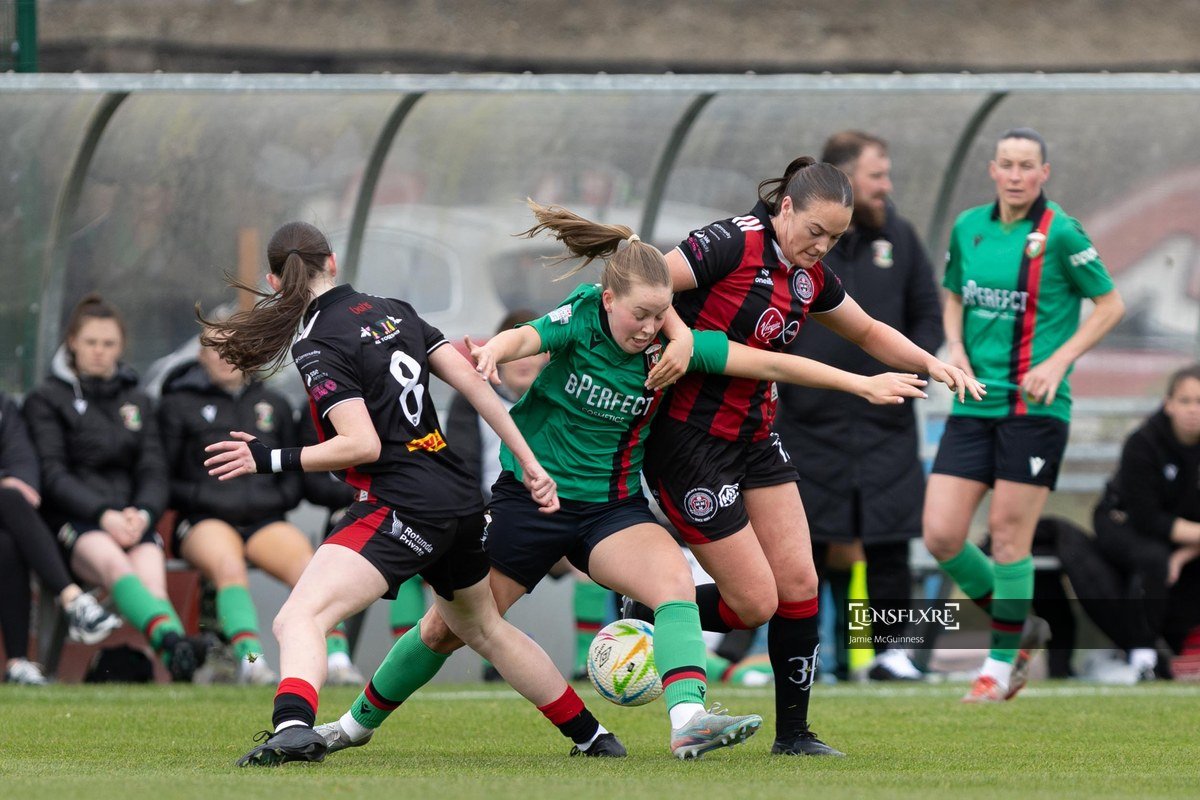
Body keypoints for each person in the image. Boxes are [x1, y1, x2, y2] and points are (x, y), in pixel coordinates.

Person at [313, 200, 931, 761]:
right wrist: (495, 350)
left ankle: (688, 720)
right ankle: (351, 725)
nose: (649, 329)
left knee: (674, 585)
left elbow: (768, 362)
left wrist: (862, 382)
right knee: (446, 628)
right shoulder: (580, 320)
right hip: (532, 504)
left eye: (661, 316)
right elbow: (527, 333)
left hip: (611, 510)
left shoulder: (674, 347)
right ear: (607, 300)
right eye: (640, 315)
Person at [200, 221, 623, 767]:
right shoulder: (393, 309)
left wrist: (269, 457)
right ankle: (594, 736)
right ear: (333, 262)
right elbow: (475, 382)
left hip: (403, 504)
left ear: (275, 281)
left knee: (297, 618)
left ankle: (292, 728)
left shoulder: (317, 342)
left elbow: (360, 444)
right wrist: (530, 460)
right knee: (483, 628)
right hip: (459, 498)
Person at [639, 157, 982, 756]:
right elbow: (645, 282)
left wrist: (933, 363)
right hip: (689, 443)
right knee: (753, 605)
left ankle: (794, 735)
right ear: (786, 208)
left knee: (799, 581)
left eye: (836, 238)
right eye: (814, 231)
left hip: (756, 437)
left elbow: (870, 332)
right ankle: (647, 603)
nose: (821, 247)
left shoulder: (807, 278)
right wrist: (683, 335)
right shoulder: (728, 243)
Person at [921, 127, 1125, 702]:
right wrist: (955, 348)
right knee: (940, 535)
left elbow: (1110, 304)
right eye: (1006, 164)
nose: (1015, 175)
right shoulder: (969, 227)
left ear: (1043, 173)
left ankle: (998, 664)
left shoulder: (1061, 233)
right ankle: (1024, 623)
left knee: (1010, 539)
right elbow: (954, 293)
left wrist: (1058, 362)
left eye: (1026, 166)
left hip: (1035, 410)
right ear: (992, 170)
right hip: (975, 402)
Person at [775, 131, 944, 683]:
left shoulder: (899, 235)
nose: (885, 187)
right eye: (876, 176)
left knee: (889, 539)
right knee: (812, 543)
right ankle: (811, 654)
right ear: (846, 180)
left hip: (884, 417)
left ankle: (891, 651)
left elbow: (928, 315)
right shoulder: (805, 247)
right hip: (808, 418)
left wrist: (913, 373)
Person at [157, 338, 363, 685]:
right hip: (204, 519)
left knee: (311, 568)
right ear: (200, 355)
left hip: (263, 520)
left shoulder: (274, 403)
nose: (225, 357)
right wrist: (204, 495)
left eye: (233, 348)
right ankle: (252, 662)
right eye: (215, 349)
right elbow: (162, 476)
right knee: (228, 566)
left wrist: (273, 498)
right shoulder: (177, 404)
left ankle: (339, 660)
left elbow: (294, 473)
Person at [22, 294, 206, 681]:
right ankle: (174, 645)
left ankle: (176, 657)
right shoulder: (47, 398)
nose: (99, 352)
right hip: (75, 523)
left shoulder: (137, 399)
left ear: (120, 347)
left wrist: (142, 513)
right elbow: (53, 475)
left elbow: (154, 470)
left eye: (108, 344)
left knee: (152, 576)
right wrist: (102, 514)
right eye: (91, 342)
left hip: (130, 519)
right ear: (72, 341)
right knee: (113, 560)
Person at [445, 309, 609, 682]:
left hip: (558, 513)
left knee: (594, 563)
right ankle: (495, 658)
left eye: (532, 348)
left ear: (548, 353)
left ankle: (590, 662)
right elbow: (462, 469)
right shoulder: (473, 398)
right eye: (514, 350)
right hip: (494, 514)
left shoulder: (568, 397)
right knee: (431, 566)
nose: (524, 360)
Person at [1057, 363, 1200, 679]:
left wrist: (1183, 554)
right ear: (1169, 403)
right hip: (1122, 524)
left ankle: (1177, 647)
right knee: (1153, 560)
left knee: (1166, 562)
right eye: (1186, 401)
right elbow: (1148, 518)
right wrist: (1172, 555)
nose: (1193, 410)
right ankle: (1141, 654)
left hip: (1181, 539)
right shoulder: (1144, 443)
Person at [1, 391, 122, 684]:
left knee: (6, 541)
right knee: (8, 496)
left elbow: (23, 465)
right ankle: (73, 600)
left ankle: (17, 662)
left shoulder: (3, 406)